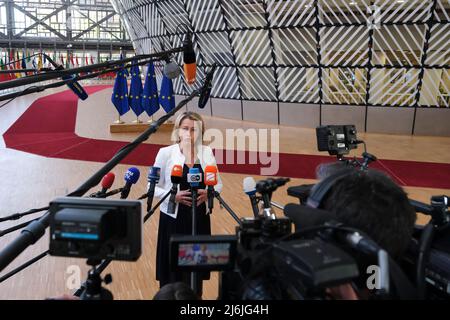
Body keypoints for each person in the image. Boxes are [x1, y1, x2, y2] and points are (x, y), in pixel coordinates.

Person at [151, 111, 223, 293]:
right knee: (172, 276)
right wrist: (172, 196)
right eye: (185, 129)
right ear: (177, 131)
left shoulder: (207, 153)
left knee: (195, 275)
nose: (189, 134)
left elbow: (219, 184)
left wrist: (208, 192)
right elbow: (150, 188)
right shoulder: (165, 153)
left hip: (199, 220)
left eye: (194, 130)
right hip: (173, 221)